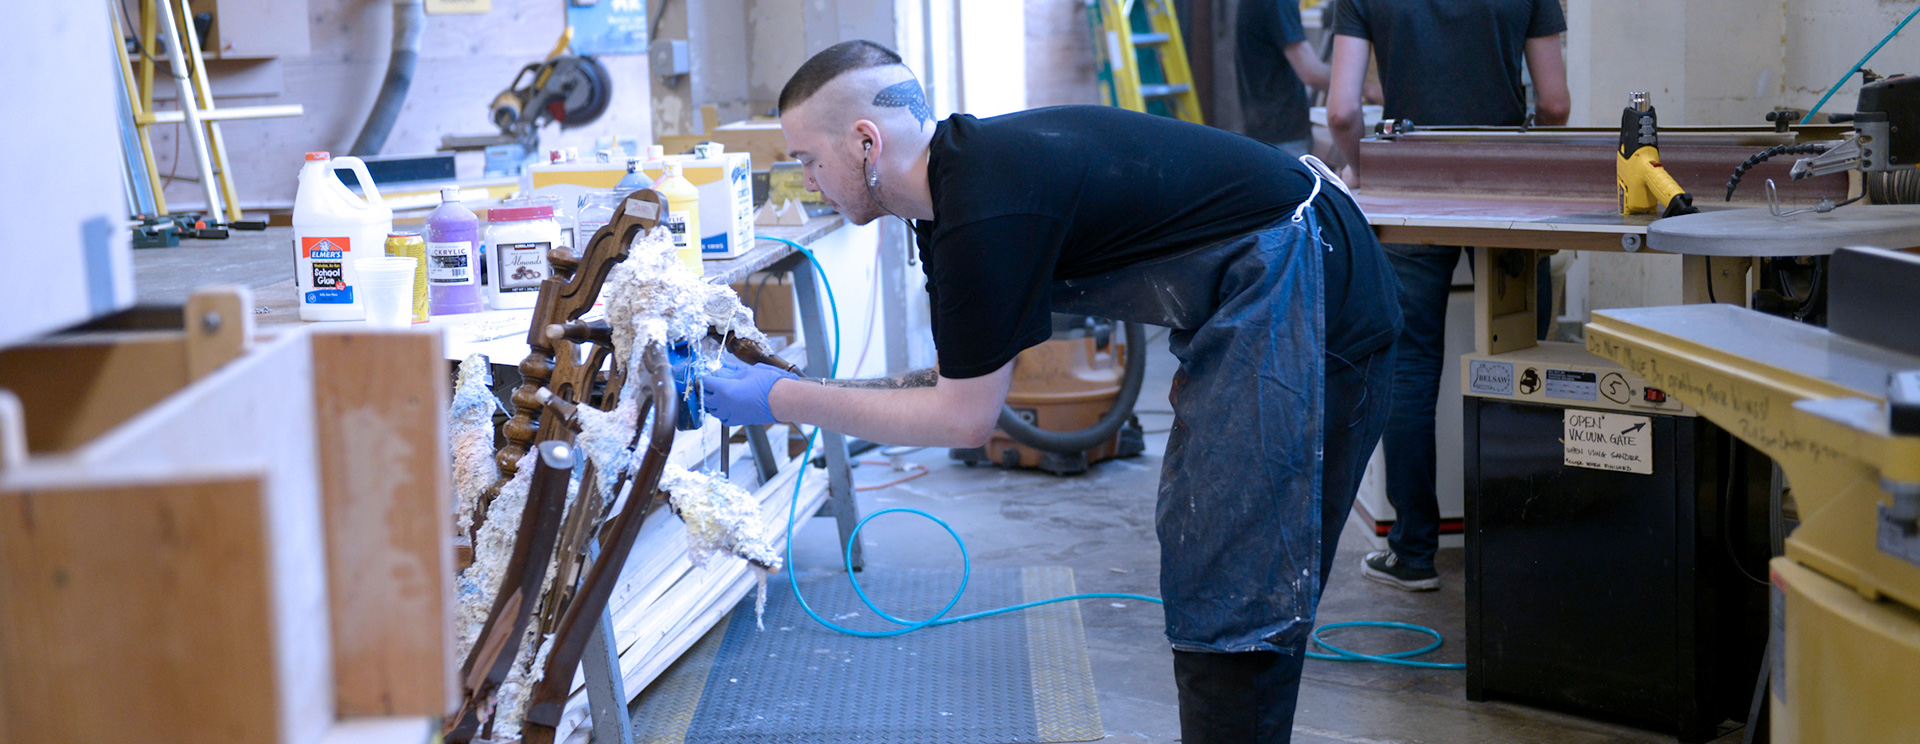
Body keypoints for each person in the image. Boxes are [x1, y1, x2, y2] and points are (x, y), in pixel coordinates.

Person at [701, 40, 1401, 743]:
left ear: (864, 142)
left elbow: (963, 419)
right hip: (1257, 285)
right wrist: (794, 386)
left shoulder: (982, 206)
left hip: (1309, 279)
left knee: (1240, 581)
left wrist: (781, 400)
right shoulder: (947, 199)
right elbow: (955, 384)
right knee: (1211, 555)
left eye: (807, 159)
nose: (806, 182)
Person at [1323, 0, 1570, 591]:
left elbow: (1341, 111)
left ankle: (1413, 552)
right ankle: (1524, 548)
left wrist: (1364, 169)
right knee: (1525, 364)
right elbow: (1556, 104)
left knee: (1408, 370)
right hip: (1506, 189)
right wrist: (1525, 160)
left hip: (1411, 183)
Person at [1236, 0, 1382, 158]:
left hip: (1264, 127)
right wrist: (1368, 90)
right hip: (1282, 134)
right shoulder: (1278, 3)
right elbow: (1310, 72)